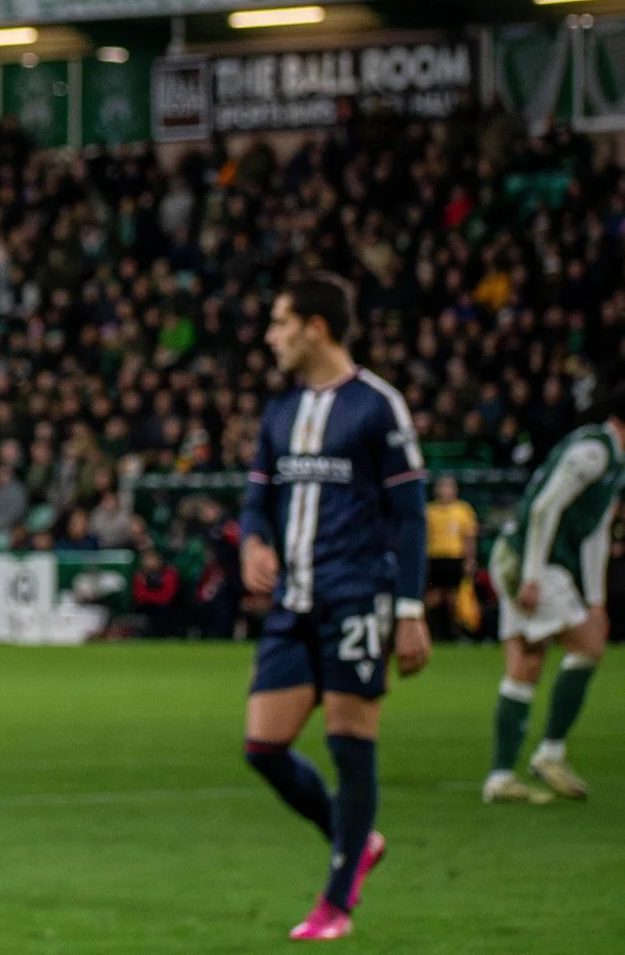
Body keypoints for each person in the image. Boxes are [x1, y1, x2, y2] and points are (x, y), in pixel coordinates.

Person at [237, 272, 428, 942]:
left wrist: (409, 608)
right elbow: (256, 496)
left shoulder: (378, 406)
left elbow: (411, 515)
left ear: (316, 326)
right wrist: (253, 542)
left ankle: (337, 900)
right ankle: (356, 840)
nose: (271, 335)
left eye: (280, 322)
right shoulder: (281, 412)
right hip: (294, 601)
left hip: (357, 597)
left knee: (351, 748)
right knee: (262, 744)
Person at [480, 388, 624, 804]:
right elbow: (544, 508)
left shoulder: (612, 458)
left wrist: (596, 601)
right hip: (529, 560)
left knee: (526, 664)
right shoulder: (594, 453)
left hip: (524, 557)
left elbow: (597, 528)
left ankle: (500, 777)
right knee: (589, 647)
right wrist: (532, 575)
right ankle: (550, 752)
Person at [422, 474, 479, 643]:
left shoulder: (463, 510)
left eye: (449, 487)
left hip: (455, 558)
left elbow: (469, 537)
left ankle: (456, 634)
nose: (445, 491)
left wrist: (469, 560)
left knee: (454, 599)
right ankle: (425, 633)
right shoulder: (429, 511)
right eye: (442, 487)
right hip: (434, 558)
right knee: (432, 598)